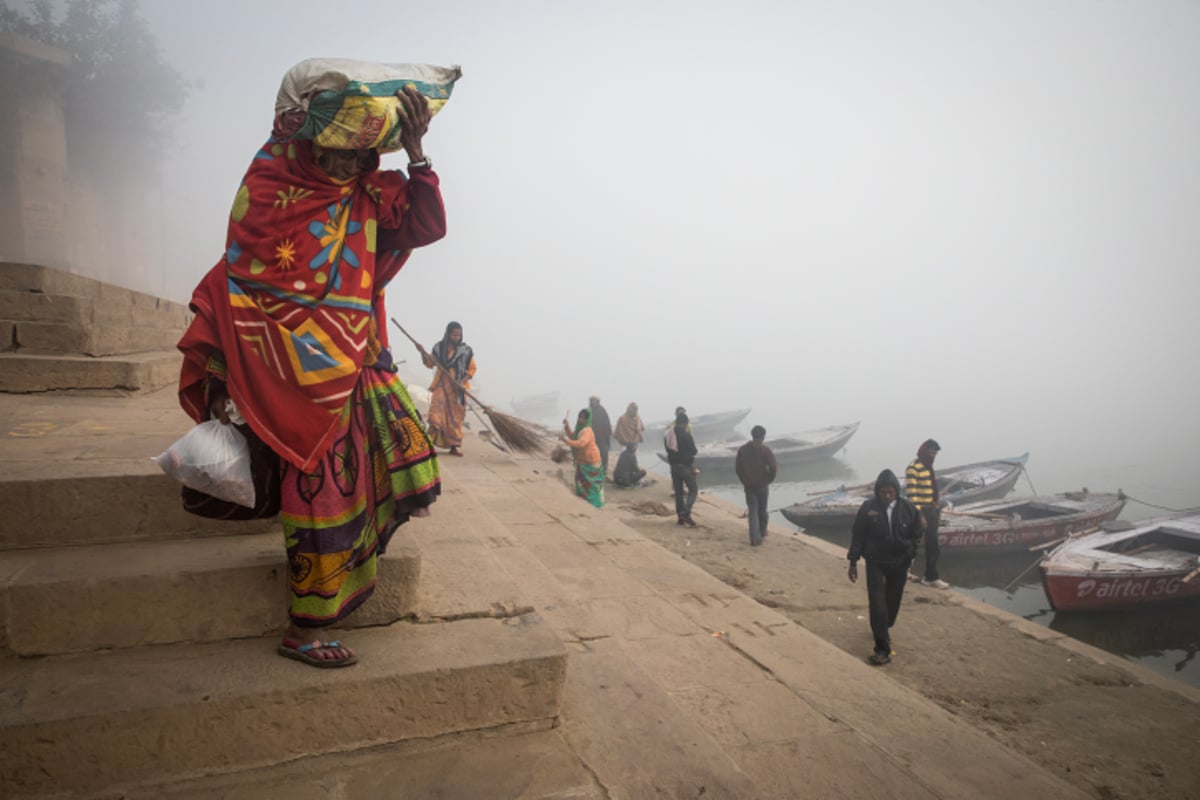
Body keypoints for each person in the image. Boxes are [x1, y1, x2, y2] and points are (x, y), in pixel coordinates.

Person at [177, 86, 444, 668]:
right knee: (320, 501)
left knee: (395, 473)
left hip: (357, 370)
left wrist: (418, 154)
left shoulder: (371, 198)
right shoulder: (274, 202)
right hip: (288, 389)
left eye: (360, 154)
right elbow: (237, 290)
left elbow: (425, 223)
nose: (348, 164)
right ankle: (305, 628)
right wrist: (224, 383)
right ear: (308, 145)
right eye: (336, 151)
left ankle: (347, 577)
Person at [847, 469, 925, 665]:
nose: (887, 496)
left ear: (896, 491)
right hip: (875, 561)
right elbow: (858, 534)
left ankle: (884, 626)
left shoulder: (908, 509)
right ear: (877, 492)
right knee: (877, 603)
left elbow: (917, 532)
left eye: (891, 492)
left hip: (900, 562)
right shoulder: (868, 508)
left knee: (892, 602)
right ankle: (882, 648)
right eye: (883, 492)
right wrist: (853, 561)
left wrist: (912, 552)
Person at [423, 322, 476, 456]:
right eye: (454, 334)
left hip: (457, 389)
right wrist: (423, 354)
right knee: (436, 413)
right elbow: (430, 363)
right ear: (448, 334)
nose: (456, 337)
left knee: (455, 418)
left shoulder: (466, 351)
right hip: (441, 384)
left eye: (459, 335)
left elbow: (472, 369)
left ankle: (454, 447)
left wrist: (462, 381)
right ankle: (429, 445)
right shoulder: (439, 348)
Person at [906, 439, 949, 589]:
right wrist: (920, 515)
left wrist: (935, 505)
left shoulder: (929, 468)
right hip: (919, 511)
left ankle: (930, 577)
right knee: (912, 543)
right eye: (931, 453)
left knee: (933, 545)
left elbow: (933, 490)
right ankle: (903, 571)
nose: (933, 456)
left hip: (931, 510)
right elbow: (912, 494)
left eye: (935, 454)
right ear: (924, 451)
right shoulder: (913, 468)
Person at [735, 425, 777, 546]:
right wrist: (769, 479)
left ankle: (755, 538)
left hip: (749, 486)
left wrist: (744, 480)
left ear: (752, 435)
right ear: (763, 437)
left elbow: (738, 469)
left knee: (753, 511)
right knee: (762, 511)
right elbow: (773, 467)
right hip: (762, 485)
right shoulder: (765, 450)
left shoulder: (742, 450)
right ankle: (762, 532)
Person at [560, 408, 604, 507]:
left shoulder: (587, 430)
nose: (580, 419)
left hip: (591, 460)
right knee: (582, 482)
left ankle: (594, 503)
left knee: (593, 485)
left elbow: (581, 443)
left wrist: (565, 441)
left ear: (587, 419)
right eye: (579, 417)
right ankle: (583, 501)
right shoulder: (580, 428)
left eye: (583, 418)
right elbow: (573, 437)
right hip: (582, 461)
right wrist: (567, 427)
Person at [666, 410, 698, 526]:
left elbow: (668, 450)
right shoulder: (686, 435)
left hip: (673, 467)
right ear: (685, 423)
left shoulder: (669, 435)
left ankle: (680, 518)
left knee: (678, 492)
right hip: (685, 467)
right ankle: (685, 512)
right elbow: (694, 451)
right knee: (693, 490)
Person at [588, 396, 613, 478]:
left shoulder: (602, 410)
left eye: (595, 401)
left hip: (602, 436)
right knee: (593, 453)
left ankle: (604, 470)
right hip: (592, 436)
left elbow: (607, 422)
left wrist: (608, 434)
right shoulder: (589, 411)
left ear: (598, 401)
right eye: (592, 401)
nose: (593, 402)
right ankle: (593, 469)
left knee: (604, 453)